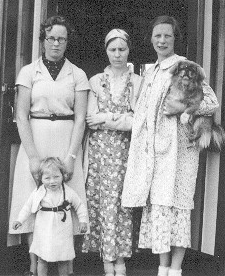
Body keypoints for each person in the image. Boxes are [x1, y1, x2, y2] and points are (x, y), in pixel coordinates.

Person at [121, 16, 220, 276]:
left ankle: (175, 270)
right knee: (159, 209)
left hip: (180, 153)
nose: (162, 40)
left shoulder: (184, 66)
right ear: (151, 39)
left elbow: (211, 102)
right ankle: (162, 268)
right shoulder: (152, 71)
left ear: (175, 38)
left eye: (167, 35)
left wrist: (182, 107)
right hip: (155, 152)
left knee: (177, 209)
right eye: (157, 36)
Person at [8, 15, 89, 276]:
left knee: (68, 198)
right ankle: (35, 265)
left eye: (61, 39)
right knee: (34, 202)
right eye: (51, 38)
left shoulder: (77, 74)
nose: (56, 43)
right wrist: (32, 156)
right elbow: (21, 115)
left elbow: (80, 119)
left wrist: (72, 156)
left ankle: (68, 265)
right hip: (36, 138)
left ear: (67, 42)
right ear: (43, 40)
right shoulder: (29, 72)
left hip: (66, 139)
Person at [82, 29, 143, 276]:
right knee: (103, 203)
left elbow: (138, 121)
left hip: (126, 152)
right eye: (112, 49)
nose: (117, 55)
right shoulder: (95, 81)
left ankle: (121, 259)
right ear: (106, 51)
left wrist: (106, 117)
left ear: (129, 50)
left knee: (121, 204)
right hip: (99, 154)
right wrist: (121, 118)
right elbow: (89, 119)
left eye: (122, 49)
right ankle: (108, 260)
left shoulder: (138, 82)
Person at [13, 157, 88, 276]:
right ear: (41, 178)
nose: (52, 181)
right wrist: (19, 220)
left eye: (56, 177)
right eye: (47, 178)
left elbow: (80, 206)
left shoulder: (67, 191)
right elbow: (28, 207)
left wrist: (83, 221)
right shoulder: (39, 192)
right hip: (44, 229)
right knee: (42, 258)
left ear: (63, 176)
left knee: (63, 259)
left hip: (62, 230)